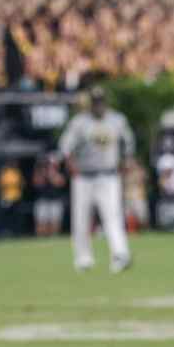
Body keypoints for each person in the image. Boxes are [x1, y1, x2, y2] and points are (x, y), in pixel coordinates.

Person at [57, 87, 135, 273]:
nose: (98, 106)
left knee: (112, 216)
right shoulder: (80, 122)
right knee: (81, 218)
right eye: (95, 102)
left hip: (108, 175)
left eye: (101, 102)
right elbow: (65, 147)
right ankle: (83, 258)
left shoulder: (117, 120)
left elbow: (128, 143)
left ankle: (120, 254)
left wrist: (126, 162)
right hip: (84, 176)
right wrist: (71, 166)